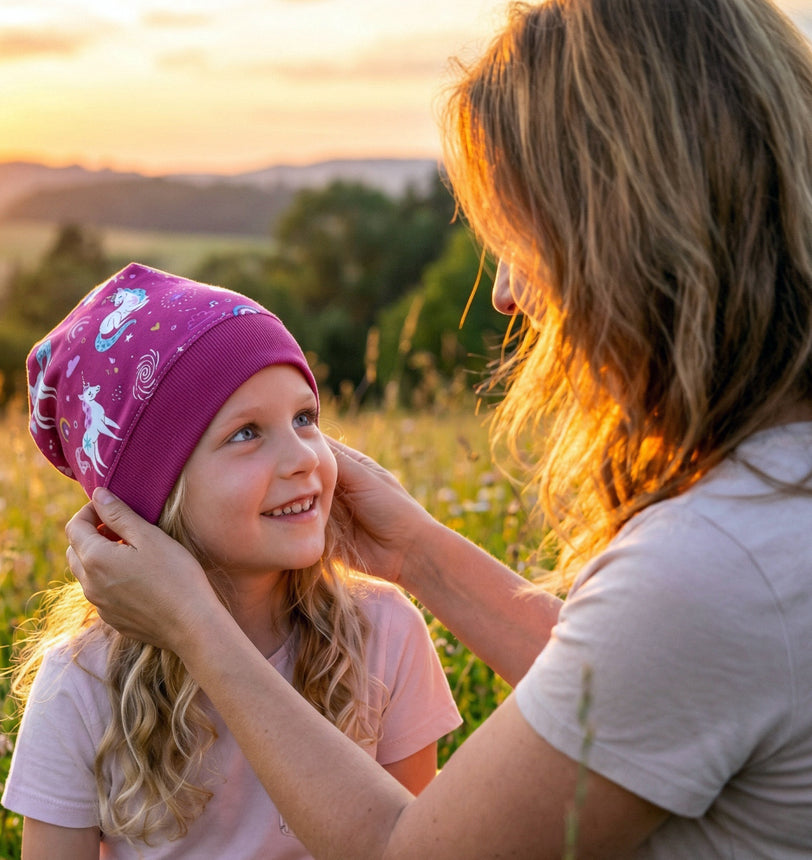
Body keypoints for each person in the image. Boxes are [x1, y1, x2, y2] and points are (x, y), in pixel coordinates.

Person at [64, 0, 812, 856]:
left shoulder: (718, 559)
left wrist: (195, 626)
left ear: (627, 233)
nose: (504, 292)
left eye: (521, 234)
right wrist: (414, 552)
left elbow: (403, 850)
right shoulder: (765, 503)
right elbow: (650, 693)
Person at [2, 262, 461, 859]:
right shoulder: (82, 681)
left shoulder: (386, 631)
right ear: (155, 497)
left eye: (305, 418)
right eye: (246, 433)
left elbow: (414, 847)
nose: (302, 457)